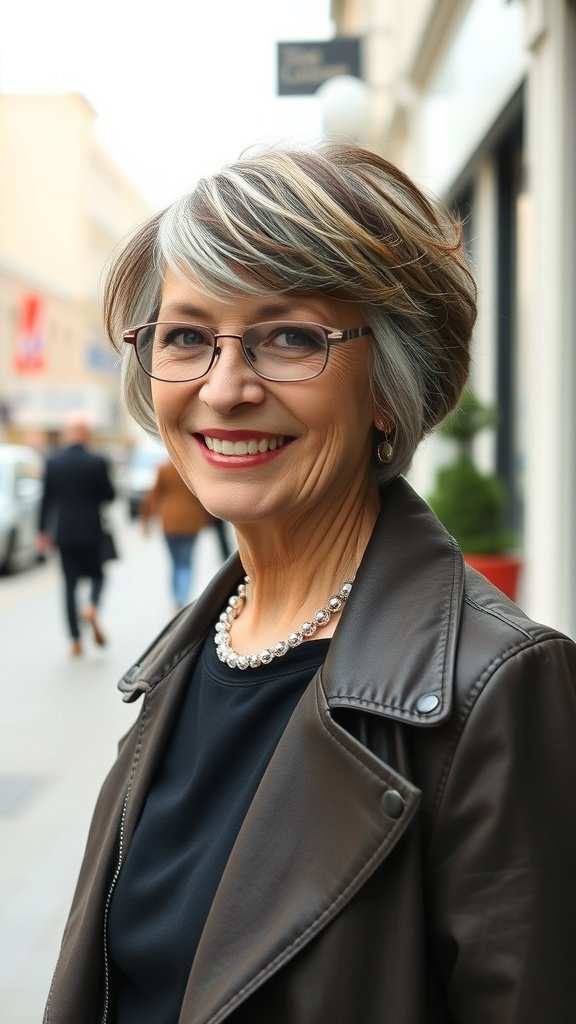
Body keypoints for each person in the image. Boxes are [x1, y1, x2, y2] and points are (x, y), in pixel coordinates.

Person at [44, 142, 576, 1024]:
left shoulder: (495, 692)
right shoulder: (187, 660)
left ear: (389, 384)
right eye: (187, 336)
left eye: (290, 337)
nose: (225, 388)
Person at [38, 414, 115, 656]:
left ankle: (75, 640)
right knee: (98, 576)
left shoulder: (53, 462)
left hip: (64, 533)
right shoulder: (97, 461)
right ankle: (91, 605)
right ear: (86, 434)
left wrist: (41, 531)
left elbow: (46, 500)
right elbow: (109, 495)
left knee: (69, 585)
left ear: (68, 434)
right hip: (91, 530)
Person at [139, 457, 212, 611]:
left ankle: (176, 598)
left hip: (170, 521)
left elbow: (153, 495)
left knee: (175, 562)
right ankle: (182, 598)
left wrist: (145, 519)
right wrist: (208, 518)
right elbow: (204, 495)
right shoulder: (193, 468)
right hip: (191, 520)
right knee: (186, 562)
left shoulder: (163, 468)